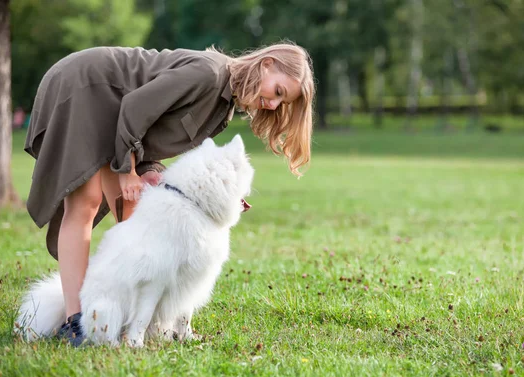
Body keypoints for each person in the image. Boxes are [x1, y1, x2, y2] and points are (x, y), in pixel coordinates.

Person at [23, 41, 315, 346]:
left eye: (281, 104)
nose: (272, 105)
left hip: (115, 114)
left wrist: (147, 168)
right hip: (87, 87)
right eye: (278, 92)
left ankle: (130, 318)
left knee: (132, 210)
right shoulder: (208, 75)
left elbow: (152, 126)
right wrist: (127, 171)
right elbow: (135, 107)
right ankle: (77, 322)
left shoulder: (222, 109)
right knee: (86, 203)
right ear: (267, 64)